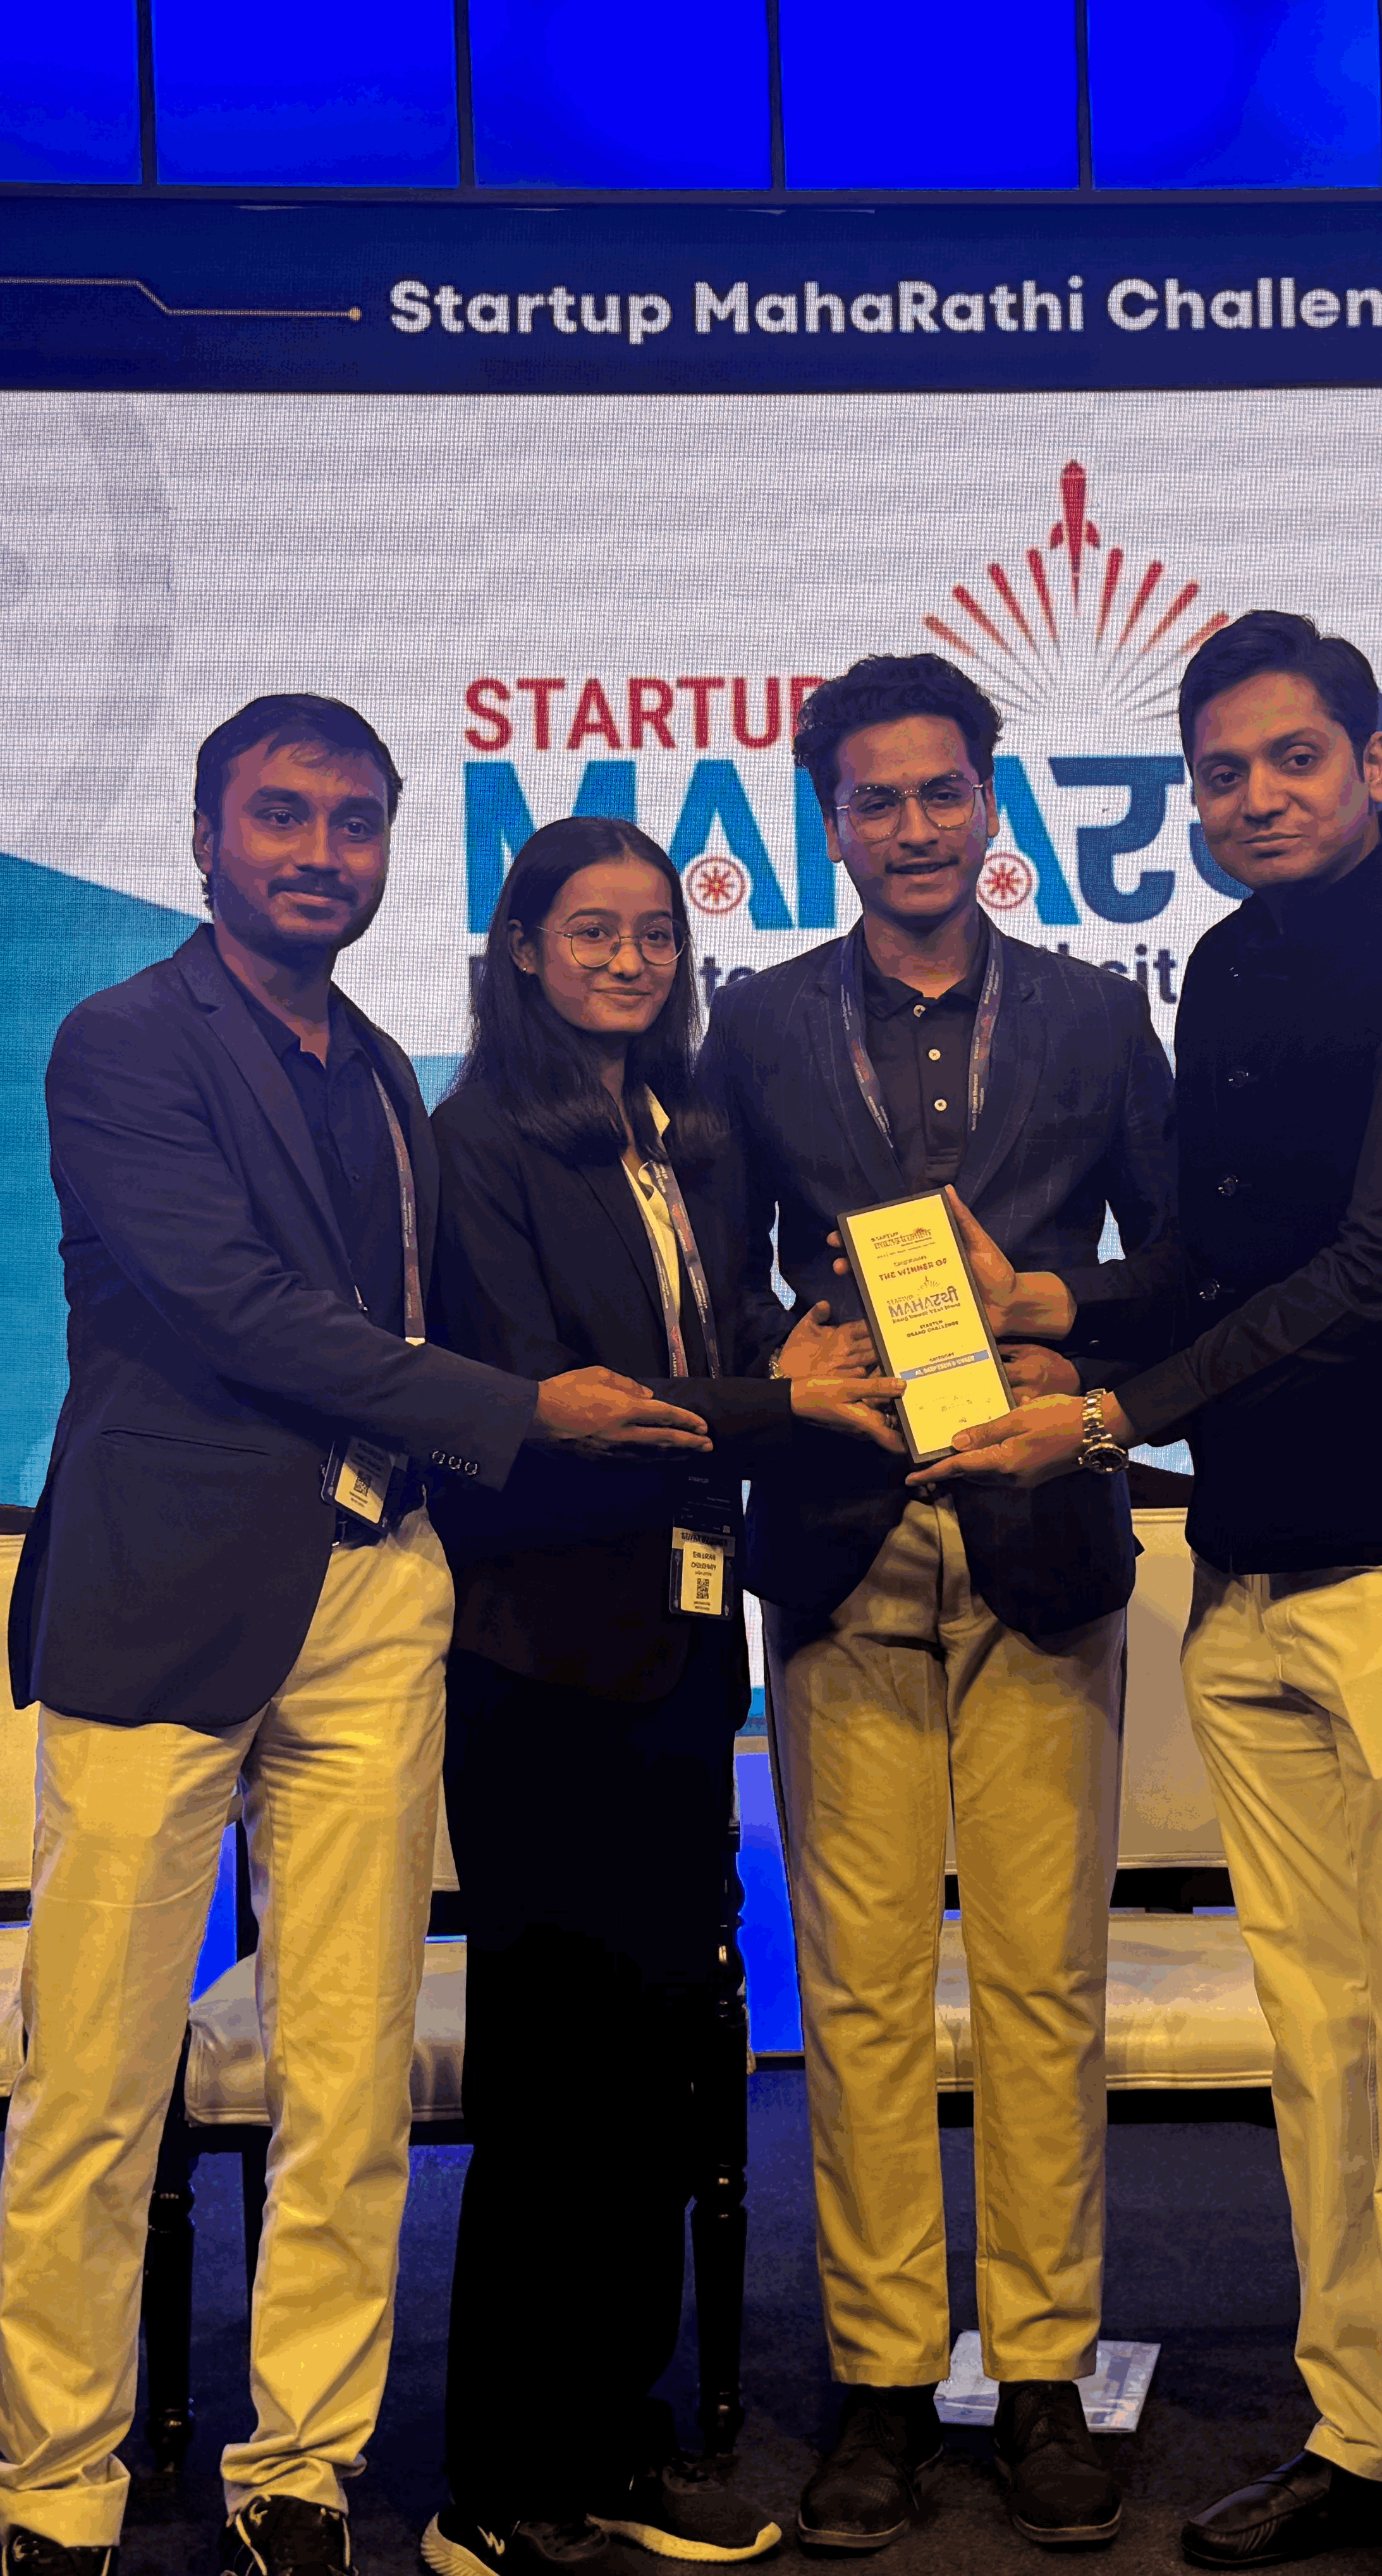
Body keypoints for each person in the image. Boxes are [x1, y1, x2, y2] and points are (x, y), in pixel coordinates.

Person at [0, 698, 705, 2576]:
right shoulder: (121, 1042)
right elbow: (233, 1307)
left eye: (356, 823)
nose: (320, 851)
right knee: (99, 2078)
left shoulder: (389, 1067)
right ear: (208, 830)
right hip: (165, 1597)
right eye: (282, 816)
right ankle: (53, 2490)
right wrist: (524, 1406)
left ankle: (298, 2467)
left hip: (381, 1593)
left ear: (394, 850)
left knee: (352, 2065)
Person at [935, 609, 1382, 2576]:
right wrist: (1053, 1305)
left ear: (1376, 757)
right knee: (1323, 2039)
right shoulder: (1219, 966)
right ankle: (1364, 2428)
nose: (1256, 798)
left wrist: (1116, 1403)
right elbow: (1227, 1258)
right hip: (1257, 1573)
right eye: (1221, 774)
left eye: (1294, 759)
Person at [698, 651, 1173, 2555]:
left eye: (942, 794)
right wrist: (781, 1357)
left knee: (1047, 1983)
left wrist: (1061, 1339)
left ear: (994, 807)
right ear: (830, 821)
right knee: (869, 1994)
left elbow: (1178, 1265)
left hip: (1042, 1536)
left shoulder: (1088, 1016)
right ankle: (888, 2378)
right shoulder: (753, 1026)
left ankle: (1043, 2370)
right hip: (838, 1538)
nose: (912, 828)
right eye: (874, 800)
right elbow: (708, 1282)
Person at [422, 816, 905, 2576]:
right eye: (590, 932)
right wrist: (798, 1405)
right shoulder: (473, 1142)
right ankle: (497, 2481)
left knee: (655, 2065)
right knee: (553, 2075)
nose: (629, 959)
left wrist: (840, 1341)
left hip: (683, 1651)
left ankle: (617, 2437)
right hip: (540, 1655)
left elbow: (733, 1339)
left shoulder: (686, 1136)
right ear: (525, 949)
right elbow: (582, 1396)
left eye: (652, 933)